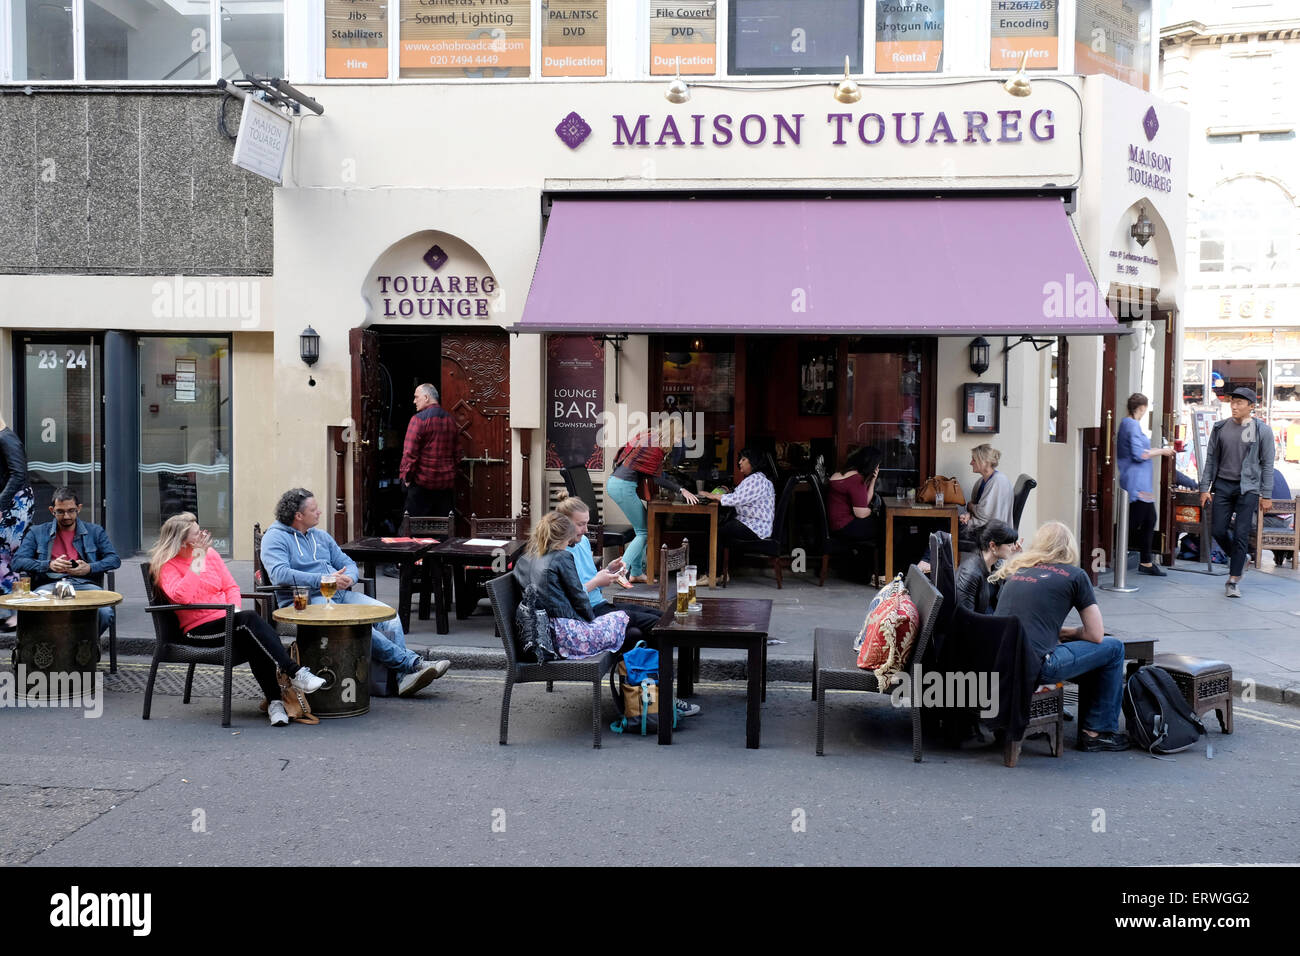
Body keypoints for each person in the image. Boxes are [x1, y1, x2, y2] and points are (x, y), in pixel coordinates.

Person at [260, 487, 450, 697]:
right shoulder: (275, 537)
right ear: (298, 516)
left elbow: (347, 562)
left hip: (339, 596)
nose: (319, 512)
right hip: (304, 601)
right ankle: (412, 664)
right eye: (314, 510)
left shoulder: (320, 536)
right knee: (360, 626)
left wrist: (349, 577)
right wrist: (324, 579)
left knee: (390, 616)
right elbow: (280, 574)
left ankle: (402, 679)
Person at [151, 512, 327, 727]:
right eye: (198, 534)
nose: (204, 536)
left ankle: (275, 702)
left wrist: (234, 611)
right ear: (182, 541)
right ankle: (295, 672)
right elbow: (182, 597)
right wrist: (198, 559)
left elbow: (230, 587)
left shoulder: (211, 555)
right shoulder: (168, 566)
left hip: (227, 621)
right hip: (198, 631)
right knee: (250, 621)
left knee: (252, 637)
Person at [991, 522, 1129, 752]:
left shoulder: (1018, 569)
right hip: (1037, 667)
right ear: (1069, 547)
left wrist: (1057, 632)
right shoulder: (1075, 576)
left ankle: (1088, 722)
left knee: (1091, 653)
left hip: (1000, 661)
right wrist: (1072, 632)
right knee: (1113, 648)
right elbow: (1095, 634)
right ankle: (1096, 732)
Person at [554, 496, 666, 645]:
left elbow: (589, 579)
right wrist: (596, 582)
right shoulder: (559, 554)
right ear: (564, 523)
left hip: (601, 604)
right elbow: (567, 597)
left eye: (587, 524)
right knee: (656, 624)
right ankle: (657, 665)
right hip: (587, 613)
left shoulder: (584, 542)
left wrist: (609, 570)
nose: (586, 530)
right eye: (581, 524)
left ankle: (653, 664)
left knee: (662, 616)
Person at [12, 487, 122, 638]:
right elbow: (17, 562)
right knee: (32, 613)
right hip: (50, 586)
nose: (66, 516)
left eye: (71, 510)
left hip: (84, 585)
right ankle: (54, 652)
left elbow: (114, 560)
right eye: (60, 512)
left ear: (79, 508)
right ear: (52, 510)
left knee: (105, 612)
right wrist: (48, 565)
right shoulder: (37, 532)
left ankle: (82, 648)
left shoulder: (95, 531)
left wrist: (89, 568)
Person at [1199, 386, 1276, 598]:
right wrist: (1204, 487)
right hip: (1223, 485)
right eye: (1232, 402)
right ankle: (1241, 558)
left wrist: (1266, 495)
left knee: (1242, 533)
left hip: (1248, 488)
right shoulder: (1220, 428)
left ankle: (1233, 580)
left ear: (1251, 407)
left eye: (1240, 403)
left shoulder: (1262, 431)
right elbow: (1211, 460)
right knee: (1218, 530)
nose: (1234, 406)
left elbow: (1267, 464)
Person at [606, 418, 699, 583]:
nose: (678, 441)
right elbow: (656, 478)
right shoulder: (654, 447)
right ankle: (621, 571)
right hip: (622, 486)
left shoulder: (650, 437)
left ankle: (636, 573)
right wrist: (681, 489)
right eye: (678, 437)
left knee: (643, 529)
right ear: (672, 433)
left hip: (620, 484)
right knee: (644, 532)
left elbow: (649, 472)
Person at [1117, 392, 1176, 576]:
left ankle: (1145, 560)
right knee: (1137, 520)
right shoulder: (1132, 425)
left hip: (1139, 479)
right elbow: (1139, 454)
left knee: (1148, 518)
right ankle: (1124, 553)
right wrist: (1162, 451)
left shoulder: (1126, 424)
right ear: (1141, 408)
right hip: (1137, 480)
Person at [699, 448, 776, 568]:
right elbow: (739, 495)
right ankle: (718, 572)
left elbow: (736, 499)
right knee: (720, 528)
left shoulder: (756, 480)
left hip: (755, 526)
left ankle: (714, 574)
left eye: (744, 459)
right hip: (753, 523)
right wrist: (727, 491)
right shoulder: (756, 478)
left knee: (716, 532)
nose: (740, 462)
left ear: (753, 462)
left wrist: (711, 495)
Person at [401, 383, 458, 519]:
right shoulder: (450, 420)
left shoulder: (418, 420)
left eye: (416, 397)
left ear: (426, 397)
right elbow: (457, 453)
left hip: (421, 486)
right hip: (445, 488)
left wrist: (407, 478)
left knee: (412, 532)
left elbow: (409, 453)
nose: (414, 401)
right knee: (444, 533)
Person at [0, 415, 34, 630]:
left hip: (16, 504)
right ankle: (11, 609)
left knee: (10, 557)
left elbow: (19, 474)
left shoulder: (7, 438)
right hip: (10, 502)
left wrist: (1, 505)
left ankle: (19, 612)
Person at [955, 519, 1018, 615]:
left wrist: (1017, 558)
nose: (1014, 548)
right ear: (993, 546)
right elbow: (965, 618)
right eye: (1009, 545)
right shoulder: (970, 573)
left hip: (992, 618)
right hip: (980, 625)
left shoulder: (996, 564)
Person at [959, 444, 1014, 548]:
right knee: (943, 525)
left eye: (973, 459)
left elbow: (983, 513)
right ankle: (927, 561)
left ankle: (926, 562)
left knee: (943, 526)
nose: (971, 463)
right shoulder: (982, 481)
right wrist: (968, 515)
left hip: (988, 533)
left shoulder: (998, 481)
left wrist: (971, 507)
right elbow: (981, 509)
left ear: (983, 461)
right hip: (981, 527)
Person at [826, 447, 884, 544]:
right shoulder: (856, 479)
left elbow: (864, 503)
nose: (877, 468)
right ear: (872, 466)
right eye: (877, 465)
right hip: (844, 527)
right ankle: (883, 558)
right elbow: (860, 513)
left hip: (837, 525)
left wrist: (873, 479)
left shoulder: (844, 473)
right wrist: (874, 510)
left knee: (882, 524)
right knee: (888, 526)